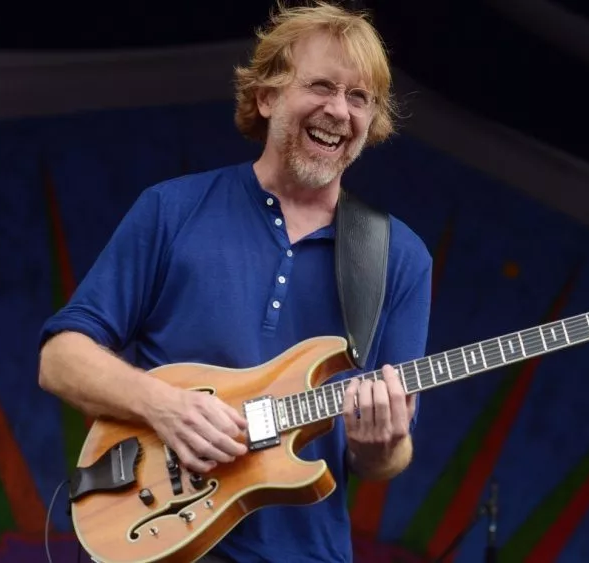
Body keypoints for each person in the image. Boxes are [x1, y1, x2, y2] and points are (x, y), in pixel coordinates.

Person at [37, 2, 433, 562]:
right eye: (321, 86)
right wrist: (163, 406)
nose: (338, 110)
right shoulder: (172, 209)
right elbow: (60, 360)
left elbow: (384, 460)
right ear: (266, 96)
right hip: (160, 535)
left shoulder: (400, 257)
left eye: (359, 97)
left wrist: (382, 443)